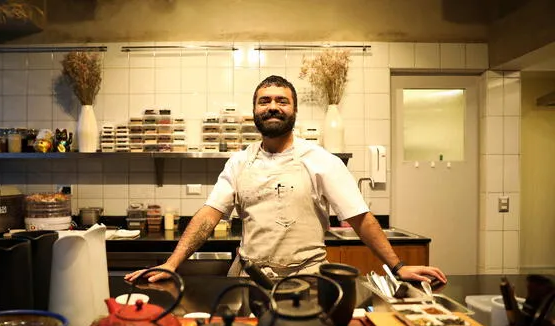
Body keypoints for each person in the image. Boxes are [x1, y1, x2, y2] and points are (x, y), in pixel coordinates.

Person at [127, 75, 447, 285]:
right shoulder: (239, 162)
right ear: (255, 111)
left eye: (282, 101)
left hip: (305, 280)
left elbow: (361, 219)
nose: (273, 107)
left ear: (293, 111)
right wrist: (171, 264)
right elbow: (208, 216)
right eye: (265, 101)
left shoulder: (321, 161)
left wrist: (398, 266)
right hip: (248, 278)